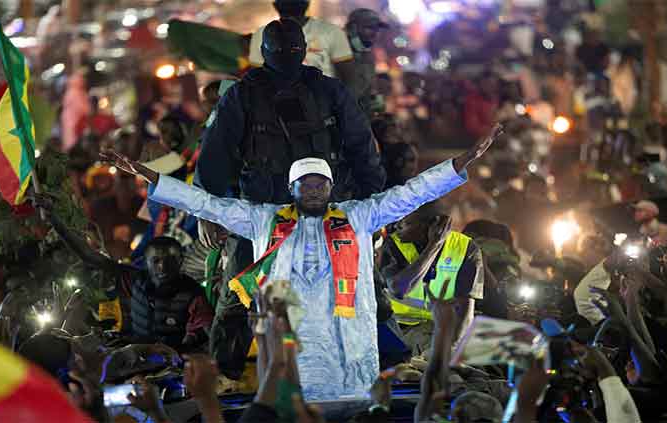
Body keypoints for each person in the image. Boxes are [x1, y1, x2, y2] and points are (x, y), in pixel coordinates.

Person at [101, 123, 503, 400]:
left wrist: (460, 162)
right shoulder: (263, 220)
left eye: (320, 184)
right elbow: (207, 204)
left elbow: (410, 194)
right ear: (291, 188)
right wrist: (148, 177)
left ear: (330, 187)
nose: (313, 190)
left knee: (354, 408)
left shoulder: (359, 217)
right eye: (305, 184)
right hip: (291, 346)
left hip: (349, 345)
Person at [194, 18, 386, 380]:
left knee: (360, 288)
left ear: (304, 49)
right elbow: (215, 154)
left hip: (327, 211)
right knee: (239, 292)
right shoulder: (243, 94)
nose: (287, 55)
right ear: (265, 52)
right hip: (263, 214)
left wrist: (373, 207)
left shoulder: (329, 91)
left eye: (293, 48)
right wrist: (208, 209)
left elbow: (362, 149)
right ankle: (224, 375)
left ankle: (377, 367)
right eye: (280, 49)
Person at [33, 196, 214, 354]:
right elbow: (88, 256)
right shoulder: (134, 280)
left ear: (181, 261)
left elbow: (205, 337)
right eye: (156, 261)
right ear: (146, 262)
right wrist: (54, 219)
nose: (162, 267)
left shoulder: (193, 294)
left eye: (169, 261)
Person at [381, 203, 484, 355]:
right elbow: (399, 289)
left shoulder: (466, 248)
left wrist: (452, 349)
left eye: (405, 222)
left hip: (442, 329)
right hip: (399, 328)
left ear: (434, 225)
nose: (397, 226)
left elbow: (465, 311)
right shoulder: (393, 244)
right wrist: (434, 245)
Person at [248, 0, 355, 80]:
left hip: (322, 103)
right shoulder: (261, 34)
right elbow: (256, 77)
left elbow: (349, 76)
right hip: (275, 102)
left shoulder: (332, 32)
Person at [344, 8, 389, 115]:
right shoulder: (338, 52)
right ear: (352, 28)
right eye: (369, 28)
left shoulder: (366, 54)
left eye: (377, 29)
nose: (375, 33)